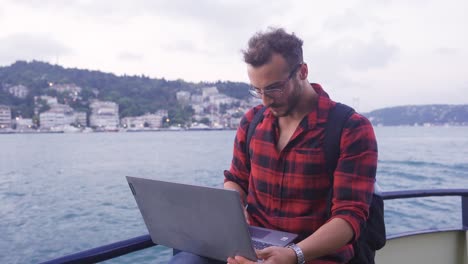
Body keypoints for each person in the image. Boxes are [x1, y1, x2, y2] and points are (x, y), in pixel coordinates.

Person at [170, 27, 377, 264]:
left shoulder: (350, 128)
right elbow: (236, 180)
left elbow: (349, 217)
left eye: (274, 88)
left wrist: (293, 254)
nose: (266, 100)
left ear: (302, 71)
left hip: (312, 255)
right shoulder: (252, 121)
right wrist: (234, 212)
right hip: (252, 250)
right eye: (257, 90)